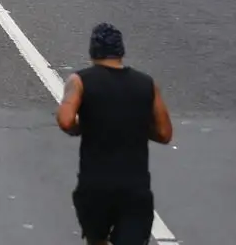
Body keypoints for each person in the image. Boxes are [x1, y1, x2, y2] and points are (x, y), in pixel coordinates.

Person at [56, 23, 174, 245]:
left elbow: (65, 120)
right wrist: (134, 125)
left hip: (95, 186)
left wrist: (80, 128)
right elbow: (165, 133)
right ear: (121, 52)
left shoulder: (80, 81)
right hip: (135, 186)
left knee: (96, 239)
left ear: (92, 51)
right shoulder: (146, 84)